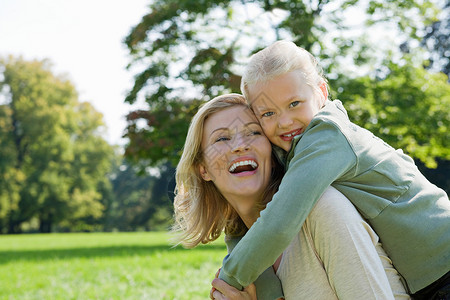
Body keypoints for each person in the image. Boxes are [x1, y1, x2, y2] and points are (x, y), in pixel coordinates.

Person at [215, 40, 450, 299]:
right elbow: (248, 223)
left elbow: (278, 223)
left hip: (441, 261)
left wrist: (229, 279)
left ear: (321, 93)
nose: (285, 121)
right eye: (268, 113)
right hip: (420, 277)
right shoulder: (287, 152)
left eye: (294, 103)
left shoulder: (327, 135)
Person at [172, 93, 409, 299]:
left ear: (271, 154)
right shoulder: (243, 251)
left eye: (254, 132)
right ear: (203, 169)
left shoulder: (322, 207)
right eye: (222, 138)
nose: (240, 146)